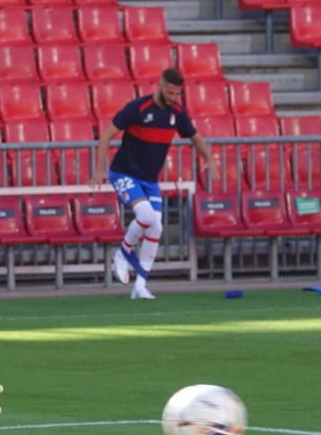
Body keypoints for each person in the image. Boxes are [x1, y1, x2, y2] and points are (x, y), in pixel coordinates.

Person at [90, 67, 222, 301]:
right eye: (169, 92)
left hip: (149, 180)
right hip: (124, 173)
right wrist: (100, 170)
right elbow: (106, 136)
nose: (172, 98)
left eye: (176, 94)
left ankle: (139, 285)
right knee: (146, 216)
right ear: (159, 85)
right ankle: (122, 253)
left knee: (156, 227)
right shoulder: (137, 108)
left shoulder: (177, 113)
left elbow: (195, 137)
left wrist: (209, 158)